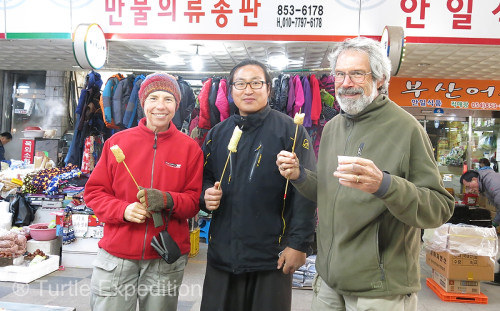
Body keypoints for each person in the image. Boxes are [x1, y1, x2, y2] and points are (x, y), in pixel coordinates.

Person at [276, 37, 455, 311]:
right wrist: (300, 175)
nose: (346, 83)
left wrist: (385, 185)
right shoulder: (333, 127)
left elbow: (439, 208)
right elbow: (329, 193)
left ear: (380, 79)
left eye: (357, 73)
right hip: (328, 281)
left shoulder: (406, 128)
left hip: (379, 289)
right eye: (340, 74)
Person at [200, 60, 317, 311]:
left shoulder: (291, 132)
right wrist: (205, 195)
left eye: (256, 83)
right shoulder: (217, 134)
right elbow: (204, 177)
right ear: (231, 90)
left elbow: (308, 192)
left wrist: (299, 244)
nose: (248, 90)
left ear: (269, 89)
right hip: (223, 254)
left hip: (271, 257)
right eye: (240, 84)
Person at [83, 72, 203, 311]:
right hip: (117, 256)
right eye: (153, 98)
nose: (160, 106)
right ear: (143, 103)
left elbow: (193, 203)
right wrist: (123, 209)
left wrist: (168, 200)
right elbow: (94, 193)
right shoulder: (117, 143)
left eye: (168, 99)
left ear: (176, 105)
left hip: (164, 258)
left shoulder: (190, 148)